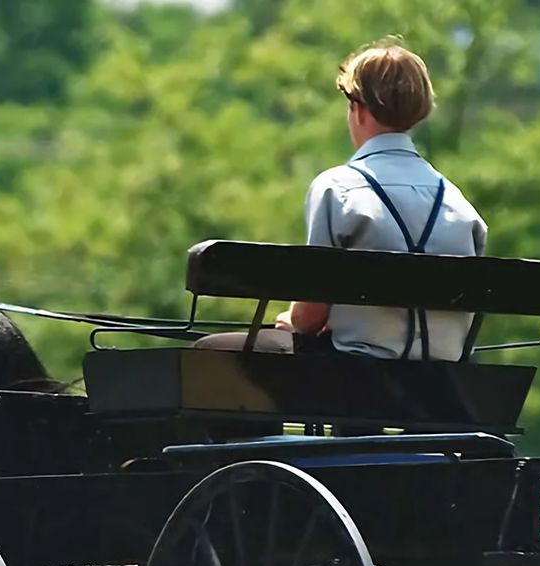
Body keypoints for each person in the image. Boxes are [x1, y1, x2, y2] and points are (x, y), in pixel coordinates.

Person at [200, 39, 488, 359]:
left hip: (355, 376)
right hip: (444, 380)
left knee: (213, 351)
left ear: (358, 108)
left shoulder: (338, 189)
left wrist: (291, 319)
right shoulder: (459, 204)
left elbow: (309, 318)